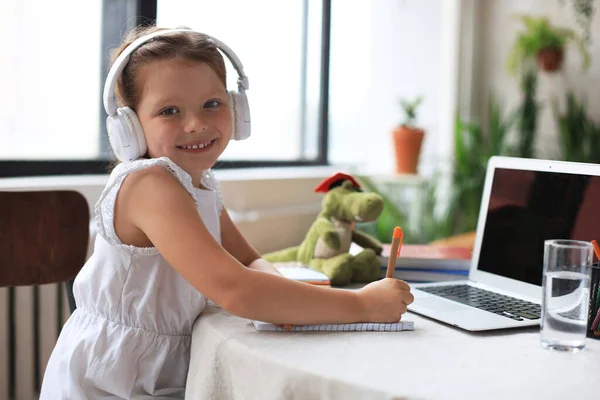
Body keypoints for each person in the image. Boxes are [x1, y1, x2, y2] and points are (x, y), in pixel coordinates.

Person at [40, 25, 414, 399]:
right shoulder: (150, 186)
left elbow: (249, 261)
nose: (196, 123)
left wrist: (283, 299)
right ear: (131, 127)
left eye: (212, 104)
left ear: (236, 107)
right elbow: (235, 288)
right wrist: (362, 305)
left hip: (158, 372)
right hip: (111, 381)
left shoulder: (197, 183)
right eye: (169, 111)